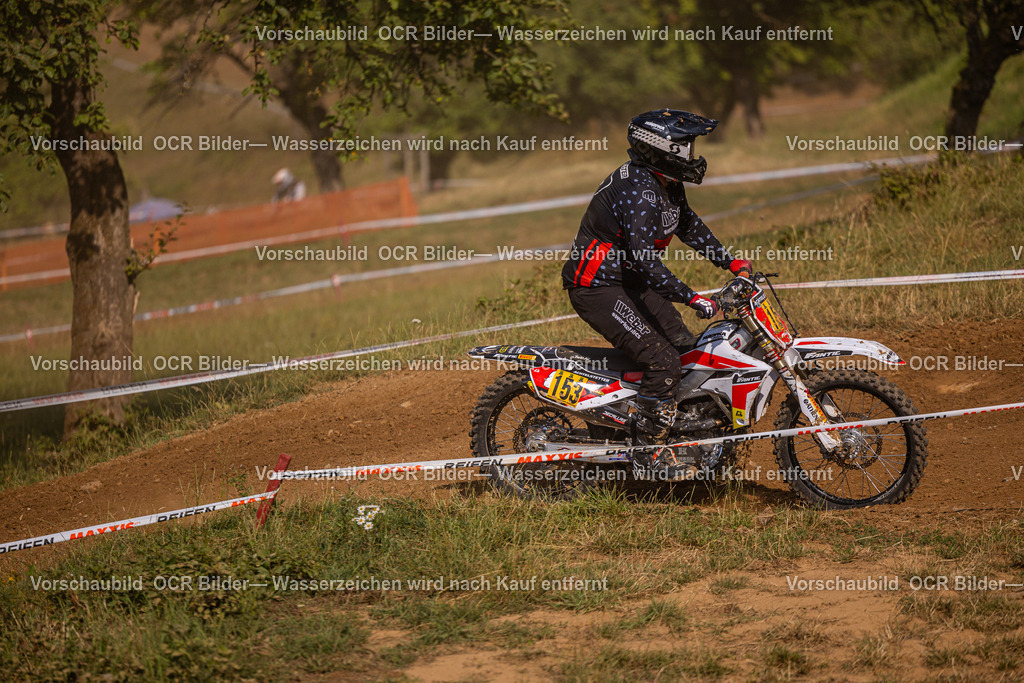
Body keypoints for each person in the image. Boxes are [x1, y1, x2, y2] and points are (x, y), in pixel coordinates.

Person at [561, 109, 752, 472]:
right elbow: (646, 260)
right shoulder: (638, 189)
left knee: (684, 349)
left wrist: (731, 263)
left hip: (629, 282)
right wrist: (691, 296)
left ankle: (672, 427)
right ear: (659, 149)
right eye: (685, 147)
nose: (691, 154)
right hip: (597, 286)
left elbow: (689, 226)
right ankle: (647, 454)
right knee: (661, 361)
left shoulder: (666, 181)